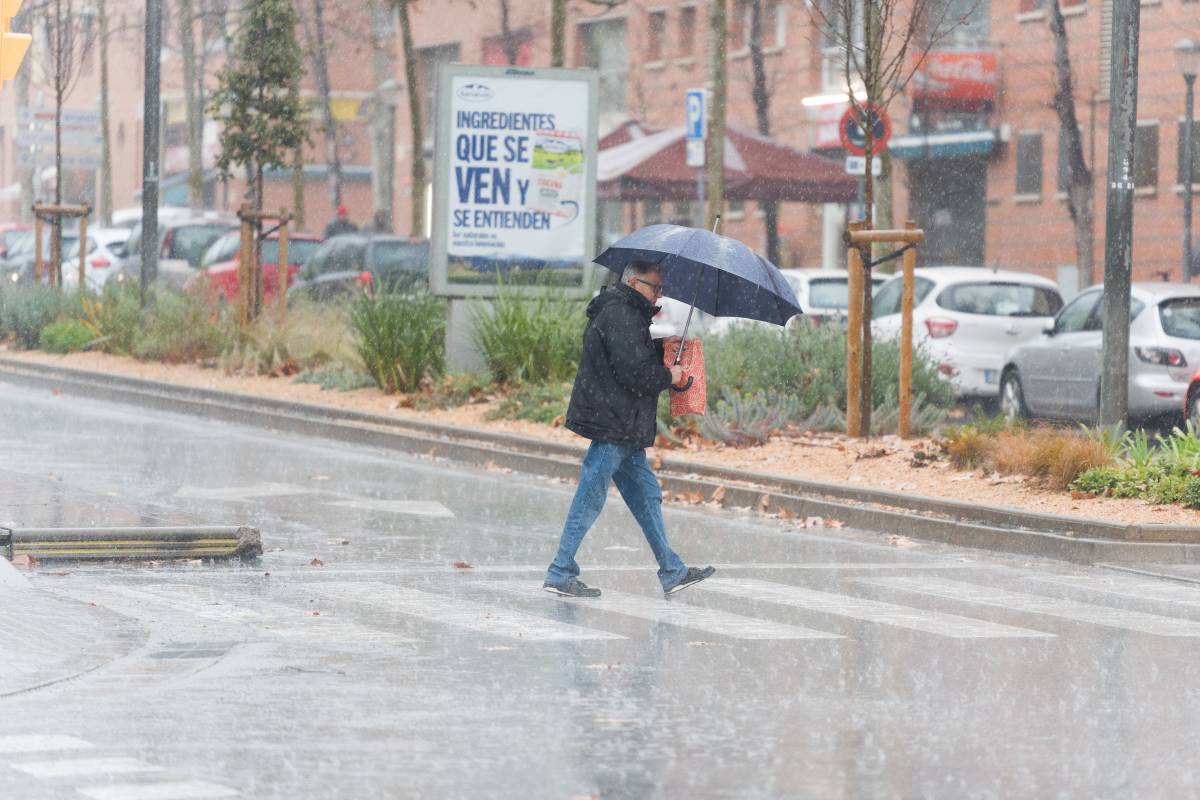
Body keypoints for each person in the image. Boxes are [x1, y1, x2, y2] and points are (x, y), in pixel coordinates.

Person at [543, 259, 715, 599]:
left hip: (624, 426)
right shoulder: (620, 315)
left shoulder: (626, 313)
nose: (660, 295)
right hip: (614, 423)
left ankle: (672, 570)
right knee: (590, 496)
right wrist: (671, 376)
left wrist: (664, 345)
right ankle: (560, 571)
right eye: (655, 287)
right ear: (635, 283)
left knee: (646, 496)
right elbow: (633, 373)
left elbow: (631, 354)